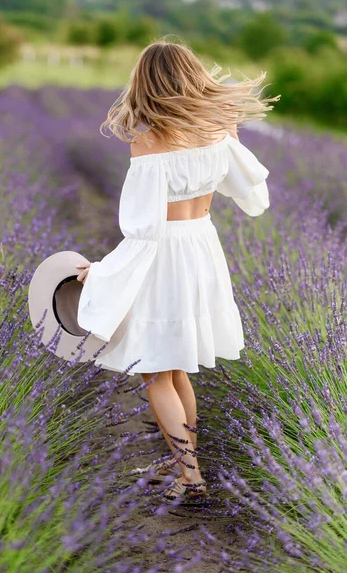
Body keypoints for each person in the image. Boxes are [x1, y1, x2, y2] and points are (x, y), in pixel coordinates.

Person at [75, 36, 280, 502]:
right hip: (202, 246)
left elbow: (142, 230)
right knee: (177, 366)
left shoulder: (149, 138)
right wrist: (227, 138)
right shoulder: (219, 128)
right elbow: (253, 197)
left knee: (155, 372)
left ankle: (191, 478)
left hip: (164, 255)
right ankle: (183, 459)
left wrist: (102, 272)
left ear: (146, 83)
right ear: (191, 76)